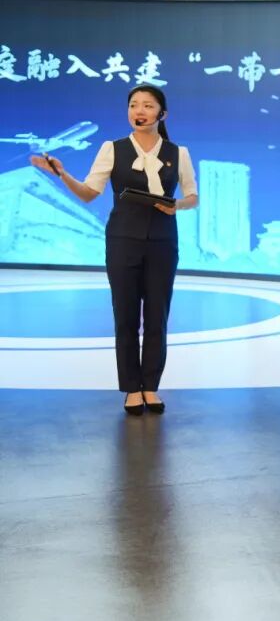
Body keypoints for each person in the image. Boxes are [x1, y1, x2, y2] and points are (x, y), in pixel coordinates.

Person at [29, 85, 198, 416]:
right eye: (134, 105)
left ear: (162, 114)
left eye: (147, 105)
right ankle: (132, 388)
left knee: (157, 318)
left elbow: (192, 196)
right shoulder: (112, 148)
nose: (139, 111)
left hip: (163, 243)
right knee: (125, 316)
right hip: (122, 241)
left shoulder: (179, 153)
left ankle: (150, 386)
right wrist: (62, 174)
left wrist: (176, 205)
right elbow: (89, 193)